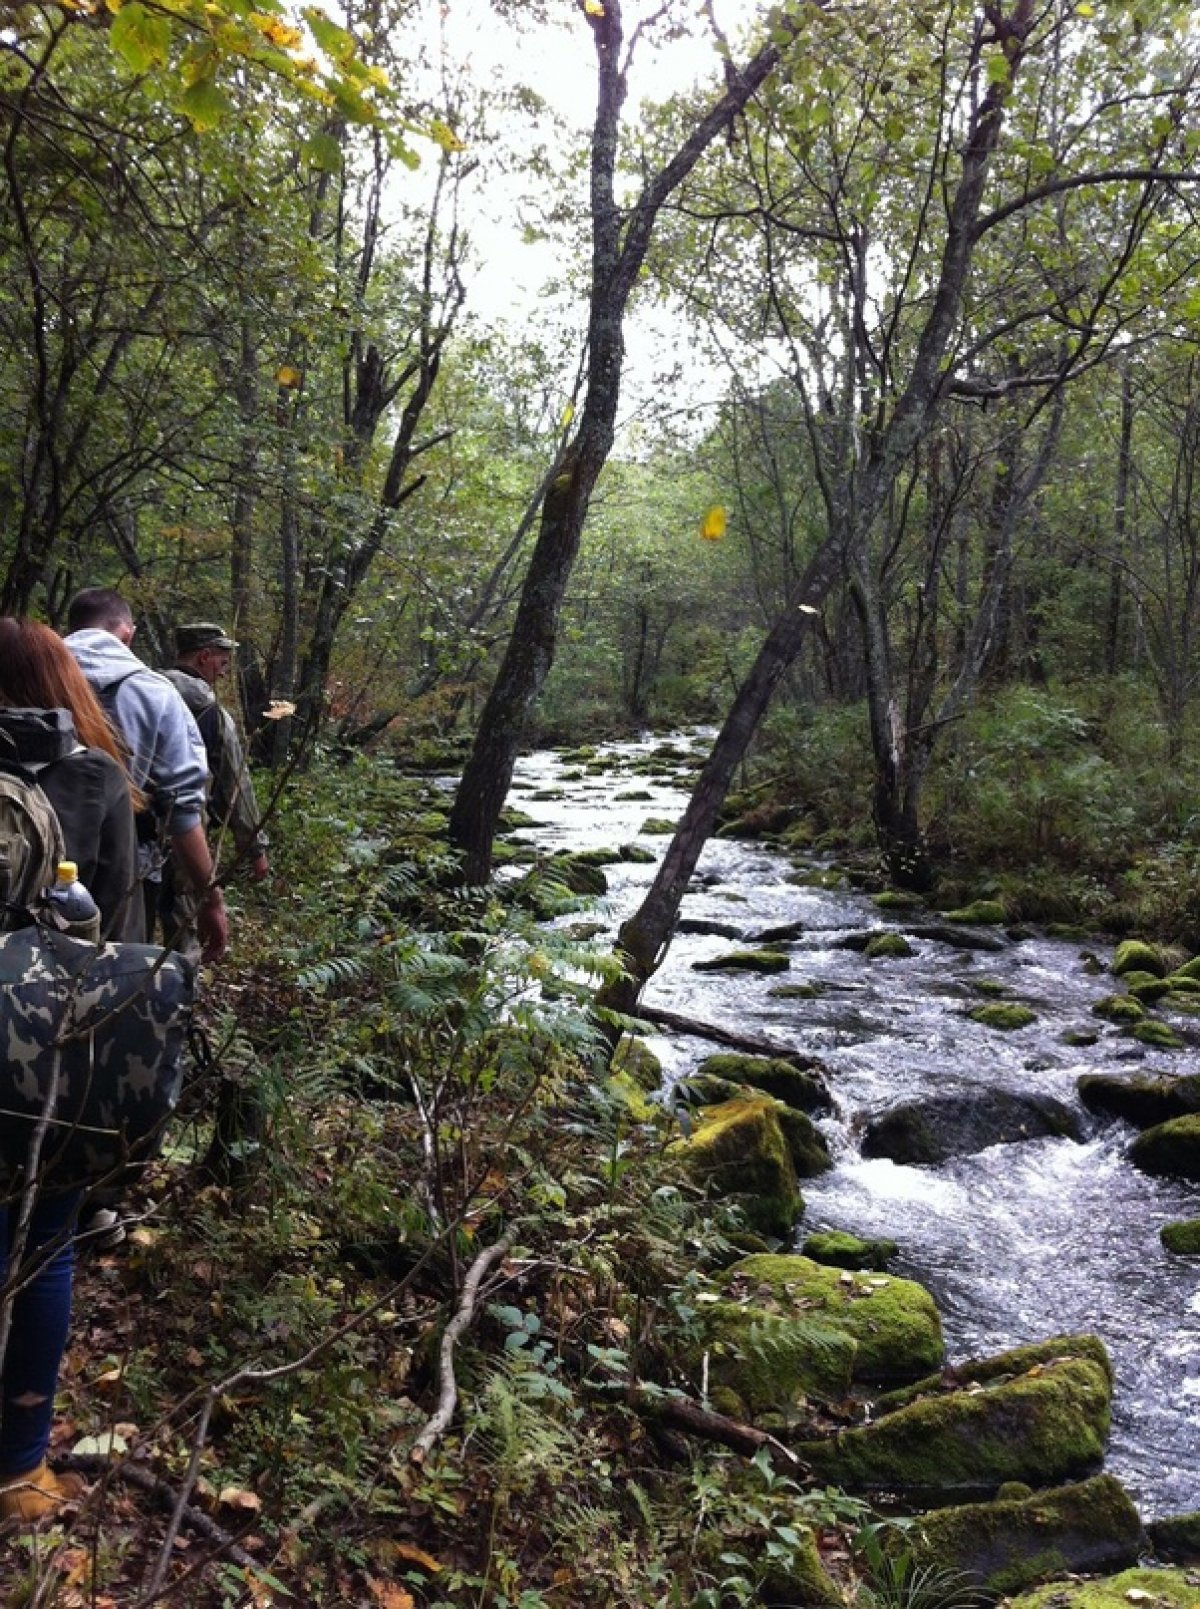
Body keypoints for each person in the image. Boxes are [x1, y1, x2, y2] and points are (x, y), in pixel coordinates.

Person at [0, 619, 143, 1521]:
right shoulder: (94, 774)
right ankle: (17, 1469)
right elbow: (121, 926)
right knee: (44, 1240)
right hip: (38, 1047)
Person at [63, 589, 227, 965]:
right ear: (127, 634)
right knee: (110, 981)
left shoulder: (22, 674)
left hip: (23, 866)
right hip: (123, 876)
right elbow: (183, 811)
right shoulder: (155, 693)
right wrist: (210, 899)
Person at [161, 623, 268, 958]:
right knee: (183, 934)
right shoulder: (212, 712)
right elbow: (236, 784)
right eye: (222, 664)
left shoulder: (140, 691)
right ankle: (179, 999)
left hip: (128, 833)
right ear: (204, 656)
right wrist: (255, 848)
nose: (223, 673)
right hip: (185, 837)